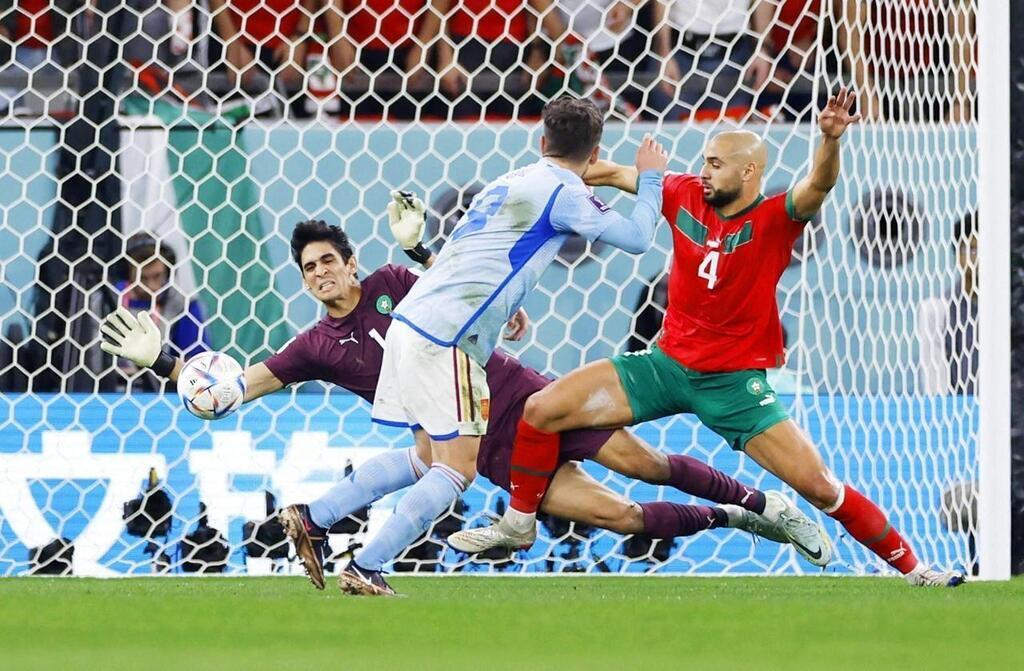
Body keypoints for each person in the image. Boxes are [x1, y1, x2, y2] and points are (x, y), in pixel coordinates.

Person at [99, 203, 824, 593]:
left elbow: (459, 280)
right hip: (479, 440)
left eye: (328, 261)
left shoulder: (391, 281)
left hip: (520, 396)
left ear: (353, 263)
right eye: (308, 269)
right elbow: (228, 393)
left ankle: (758, 506)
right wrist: (167, 357)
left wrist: (425, 257)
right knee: (620, 515)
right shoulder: (313, 348)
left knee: (649, 465)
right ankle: (731, 516)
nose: (320, 274)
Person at [450, 88, 966, 588]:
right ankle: (520, 521)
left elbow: (819, 186)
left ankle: (915, 570)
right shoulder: (681, 193)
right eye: (704, 159)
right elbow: (607, 171)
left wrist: (829, 141)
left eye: (716, 163)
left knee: (820, 487)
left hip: (734, 386)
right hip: (664, 366)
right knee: (541, 409)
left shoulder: (776, 218)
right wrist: (543, 180)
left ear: (749, 171)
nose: (704, 170)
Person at [92, 232, 209, 392]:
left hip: (164, 393)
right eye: (142, 278)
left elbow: (197, 362)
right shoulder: (104, 299)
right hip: (107, 391)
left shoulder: (183, 304)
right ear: (128, 272)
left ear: (168, 271)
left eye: (157, 276)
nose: (151, 286)